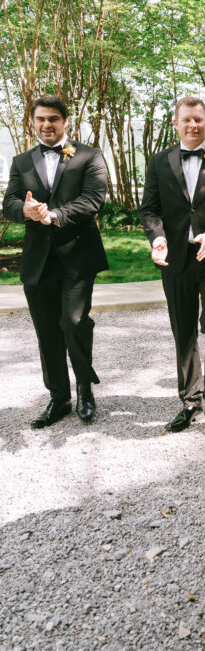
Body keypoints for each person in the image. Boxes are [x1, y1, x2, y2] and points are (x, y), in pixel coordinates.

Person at [140, 96, 205, 440]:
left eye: (199, 119)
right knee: (183, 330)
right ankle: (189, 401)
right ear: (176, 123)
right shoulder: (159, 161)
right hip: (176, 259)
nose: (193, 125)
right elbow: (149, 209)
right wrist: (157, 238)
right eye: (186, 120)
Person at [3, 95, 108, 428]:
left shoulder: (89, 155)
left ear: (65, 121)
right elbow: (9, 204)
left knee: (74, 323)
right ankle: (59, 398)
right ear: (32, 122)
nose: (46, 125)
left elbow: (94, 198)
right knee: (47, 332)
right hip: (38, 260)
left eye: (53, 119)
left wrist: (56, 214)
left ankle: (85, 392)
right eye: (40, 119)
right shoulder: (21, 162)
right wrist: (25, 210)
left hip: (78, 256)